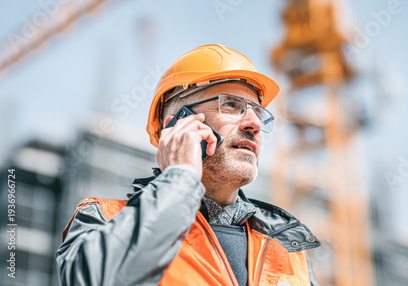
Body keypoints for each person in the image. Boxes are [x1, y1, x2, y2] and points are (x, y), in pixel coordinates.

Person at [56, 44, 320, 286]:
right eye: (231, 105)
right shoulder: (104, 217)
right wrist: (179, 178)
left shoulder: (288, 249)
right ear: (178, 125)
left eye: (258, 112)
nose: (255, 124)